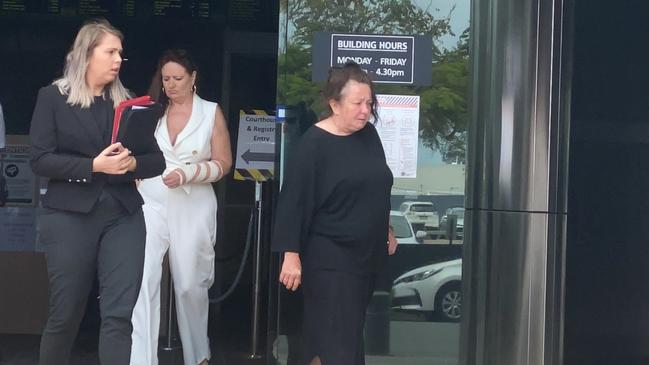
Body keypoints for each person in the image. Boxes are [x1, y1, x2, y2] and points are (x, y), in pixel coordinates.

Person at [29, 19, 165, 365]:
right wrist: (94, 167)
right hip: (69, 216)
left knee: (119, 316)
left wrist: (132, 163)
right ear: (87, 54)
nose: (119, 58)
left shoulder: (129, 103)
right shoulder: (53, 98)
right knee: (66, 314)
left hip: (123, 216)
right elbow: (40, 160)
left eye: (120, 52)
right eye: (111, 51)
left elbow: (157, 161)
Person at [272, 62, 398, 365]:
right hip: (329, 260)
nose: (365, 110)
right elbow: (294, 202)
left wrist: (387, 228)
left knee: (345, 341)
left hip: (364, 260)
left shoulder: (368, 136)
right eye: (357, 103)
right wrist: (291, 255)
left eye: (369, 103)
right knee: (335, 344)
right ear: (334, 103)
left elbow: (376, 186)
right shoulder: (313, 144)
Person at [130, 49, 232, 365]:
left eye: (177, 78)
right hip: (151, 199)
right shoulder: (149, 111)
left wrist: (189, 172)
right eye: (165, 79)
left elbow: (224, 163)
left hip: (194, 202)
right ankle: (141, 359)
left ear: (193, 78)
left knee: (190, 285)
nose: (170, 85)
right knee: (143, 279)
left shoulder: (210, 112)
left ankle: (198, 356)